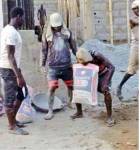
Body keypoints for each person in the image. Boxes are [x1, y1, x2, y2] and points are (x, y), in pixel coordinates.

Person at [41, 12, 77, 120]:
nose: (57, 28)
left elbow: (74, 47)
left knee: (71, 86)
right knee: (51, 88)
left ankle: (70, 102)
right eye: (55, 26)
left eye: (58, 26)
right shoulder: (47, 35)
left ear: (62, 23)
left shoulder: (68, 33)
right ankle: (50, 110)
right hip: (53, 67)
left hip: (67, 66)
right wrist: (42, 65)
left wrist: (80, 58)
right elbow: (44, 50)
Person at [0, 7, 29, 135]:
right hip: (8, 69)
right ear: (18, 16)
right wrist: (19, 76)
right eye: (22, 17)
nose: (23, 20)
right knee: (9, 99)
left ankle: (13, 121)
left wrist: (18, 72)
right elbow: (10, 56)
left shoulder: (10, 30)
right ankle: (12, 126)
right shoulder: (10, 32)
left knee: (22, 94)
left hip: (13, 68)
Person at [71, 48, 115, 127]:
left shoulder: (97, 55)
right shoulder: (80, 57)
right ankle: (79, 112)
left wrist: (106, 82)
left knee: (106, 90)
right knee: (77, 87)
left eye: (86, 63)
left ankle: (109, 117)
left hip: (103, 75)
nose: (85, 64)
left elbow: (112, 67)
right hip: (90, 75)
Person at [117, 0, 139, 100]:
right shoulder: (132, 19)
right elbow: (134, 23)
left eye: (138, 8)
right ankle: (120, 86)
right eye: (134, 9)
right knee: (131, 69)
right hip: (136, 46)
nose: (136, 11)